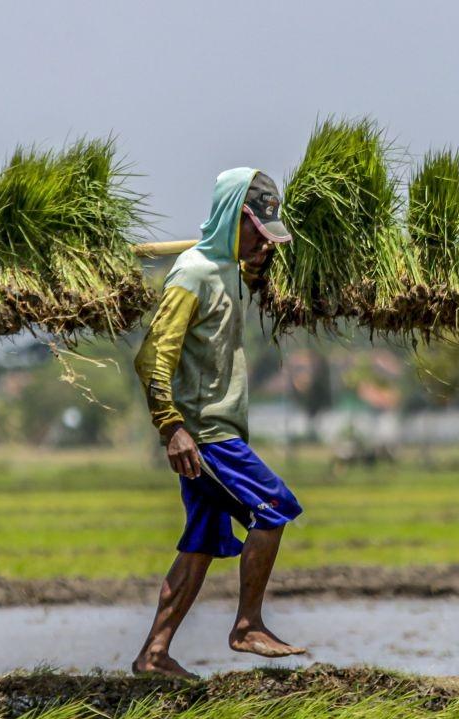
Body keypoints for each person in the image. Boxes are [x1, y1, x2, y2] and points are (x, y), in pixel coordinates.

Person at [131, 168, 305, 678]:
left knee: (200, 543)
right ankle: (247, 624)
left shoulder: (227, 268)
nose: (262, 242)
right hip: (206, 435)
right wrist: (172, 428)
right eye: (256, 230)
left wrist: (258, 262)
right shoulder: (192, 273)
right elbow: (151, 358)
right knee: (274, 508)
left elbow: (240, 283)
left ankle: (154, 654)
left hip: (214, 430)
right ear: (234, 218)